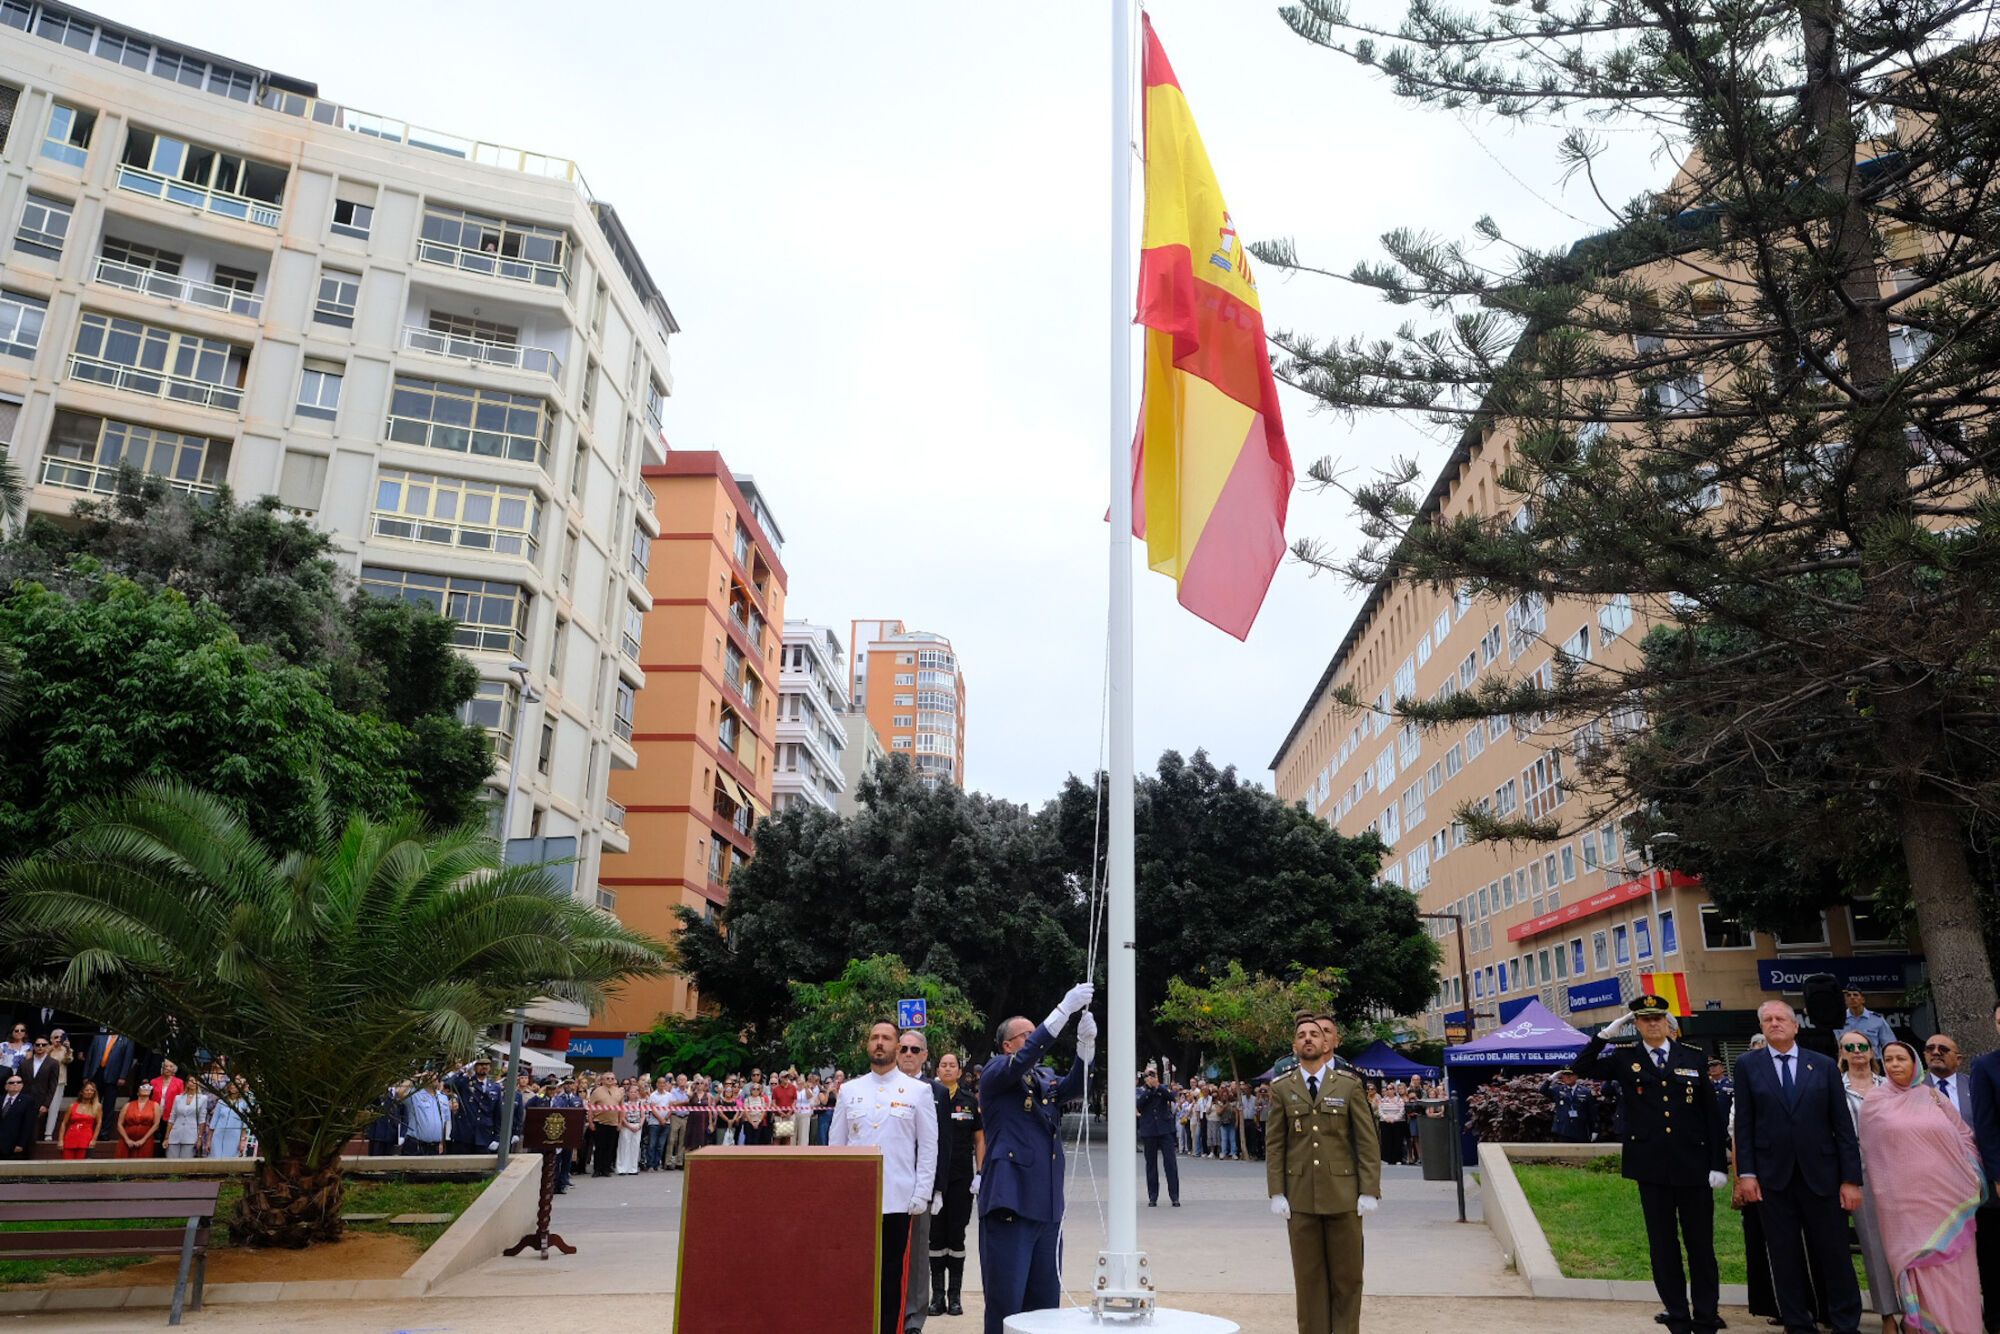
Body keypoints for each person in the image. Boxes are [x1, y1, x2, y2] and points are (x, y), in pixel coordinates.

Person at [1571, 995, 1727, 1334]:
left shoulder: (1694, 1057)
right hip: (1651, 1165)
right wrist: (1605, 1034)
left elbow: (1711, 1116)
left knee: (1701, 1244)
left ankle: (1705, 1313)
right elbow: (1580, 1067)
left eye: (1658, 1018)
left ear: (1668, 1023)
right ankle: (1677, 1312)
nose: (1652, 1024)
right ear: (1636, 1024)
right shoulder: (1626, 1058)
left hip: (1693, 1164)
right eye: (1644, 1019)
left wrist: (1718, 1163)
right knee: (1663, 1244)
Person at [1734, 998, 1865, 1334]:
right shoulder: (1749, 1065)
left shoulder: (1822, 1066)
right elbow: (1745, 1125)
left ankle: (1845, 1321)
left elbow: (1843, 1127)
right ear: (1761, 1028)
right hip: (1772, 1178)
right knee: (1784, 1255)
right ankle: (1797, 1321)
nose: (1774, 1023)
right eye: (1767, 1020)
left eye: (1781, 1018)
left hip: (1822, 1176)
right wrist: (1745, 1174)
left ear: (1795, 1026)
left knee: (1834, 1254)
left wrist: (1851, 1179)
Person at [978, 983, 1096, 1334]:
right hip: (1011, 1203)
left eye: (1035, 1032)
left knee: (1045, 1309)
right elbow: (1027, 1056)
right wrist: (1061, 1011)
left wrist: (1085, 1050)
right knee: (1006, 1304)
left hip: (1046, 1209)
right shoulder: (997, 1072)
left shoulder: (1042, 1078)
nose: (1034, 1038)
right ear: (1007, 1044)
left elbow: (1074, 1088)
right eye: (1026, 1034)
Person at [1861, 1039, 1985, 1333]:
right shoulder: (1875, 1103)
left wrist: (1970, 1174)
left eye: (1901, 1059)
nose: (1894, 1065)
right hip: (1904, 1207)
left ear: (1914, 1063)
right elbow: (1873, 1156)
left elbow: (1965, 1136)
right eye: (1888, 1059)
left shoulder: (1932, 1097)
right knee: (1919, 1268)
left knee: (1957, 1274)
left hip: (1948, 1203)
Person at [1267, 1012, 1380, 1334]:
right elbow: (1275, 1143)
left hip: (1344, 1196)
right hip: (1300, 1196)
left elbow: (1367, 1141)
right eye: (1302, 1034)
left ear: (1326, 1041)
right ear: (1294, 1045)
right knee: (1308, 1278)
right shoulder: (1282, 1087)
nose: (1308, 1038)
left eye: (1314, 1034)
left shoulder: (1348, 1085)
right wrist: (1276, 1191)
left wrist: (1369, 1190)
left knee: (1347, 1277)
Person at [829, 1018, 939, 1334]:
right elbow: (836, 1145)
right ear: (868, 1044)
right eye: (875, 1037)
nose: (880, 1042)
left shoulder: (918, 1092)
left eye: (887, 1038)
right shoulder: (850, 1091)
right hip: (856, 1201)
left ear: (896, 1045)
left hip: (897, 1198)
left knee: (891, 1276)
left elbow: (929, 1146)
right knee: (856, 1273)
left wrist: (922, 1191)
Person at [1835, 1028, 1896, 1331]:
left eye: (1863, 1046)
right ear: (1842, 1054)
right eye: (1851, 1047)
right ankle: (1887, 1314)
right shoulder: (1835, 1088)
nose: (1858, 1051)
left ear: (1872, 1051)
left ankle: (1913, 1310)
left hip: (1898, 1173)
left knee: (1905, 1244)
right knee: (1873, 1246)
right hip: (1860, 1174)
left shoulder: (1891, 1086)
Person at [899, 1029, 954, 1334]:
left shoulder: (937, 1092)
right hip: (890, 1178)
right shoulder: (884, 1086)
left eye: (914, 1049)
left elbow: (942, 1143)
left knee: (919, 1252)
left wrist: (937, 1188)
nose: (908, 1053)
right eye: (903, 1048)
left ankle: (913, 1318)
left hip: (920, 1182)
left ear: (924, 1055)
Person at [929, 1051, 982, 1317]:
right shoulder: (928, 1097)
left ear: (960, 1072)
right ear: (937, 1069)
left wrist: (980, 1172)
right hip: (934, 1180)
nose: (948, 1069)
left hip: (962, 1179)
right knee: (936, 1237)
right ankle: (937, 1296)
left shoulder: (969, 1101)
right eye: (944, 1065)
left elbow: (979, 1139)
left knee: (956, 1236)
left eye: (953, 1066)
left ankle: (955, 1296)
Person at [1964, 1000, 2000, 1331]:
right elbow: (1986, 1127)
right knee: (1995, 1255)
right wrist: (1997, 1175)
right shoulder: (1985, 1066)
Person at [1137, 1065, 1181, 1207]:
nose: (1150, 1077)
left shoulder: (1163, 1089)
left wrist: (1158, 1086)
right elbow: (1139, 1105)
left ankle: (1174, 1196)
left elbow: (1172, 1097)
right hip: (1149, 1131)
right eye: (1148, 1075)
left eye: (1153, 1075)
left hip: (1165, 1130)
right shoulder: (1141, 1091)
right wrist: (1150, 1090)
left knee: (1170, 1163)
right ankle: (1153, 1196)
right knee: (1151, 1165)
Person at [81, 1029, 136, 1140]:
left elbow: (127, 1059)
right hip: (96, 1074)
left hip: (113, 1076)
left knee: (108, 1106)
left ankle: (104, 1132)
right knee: (92, 1103)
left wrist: (123, 1076)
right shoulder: (99, 1037)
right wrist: (86, 1075)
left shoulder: (126, 1040)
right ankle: (89, 1130)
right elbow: (90, 1056)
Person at [401, 1076, 451, 1155]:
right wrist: (414, 1077)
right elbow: (399, 1092)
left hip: (435, 1147)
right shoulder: (415, 1094)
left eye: (437, 1076)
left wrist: (442, 1142)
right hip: (415, 1146)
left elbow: (444, 1123)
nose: (435, 1077)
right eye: (432, 1075)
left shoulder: (443, 1097)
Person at [1841, 989, 1897, 1058]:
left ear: (1863, 1000)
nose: (1852, 997)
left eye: (1855, 995)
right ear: (1845, 1001)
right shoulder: (1838, 1019)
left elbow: (1890, 1044)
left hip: (1873, 1063)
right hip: (1847, 1063)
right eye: (1848, 995)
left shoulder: (1876, 1019)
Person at [164, 1080, 208, 1160]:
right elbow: (172, 1118)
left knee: (186, 1164)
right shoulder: (178, 1098)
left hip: (191, 1135)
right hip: (175, 1134)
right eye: (191, 1081)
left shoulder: (203, 1098)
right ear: (187, 1083)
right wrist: (167, 1137)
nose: (193, 1083)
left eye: (195, 1081)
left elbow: (202, 1120)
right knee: (171, 1163)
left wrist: (200, 1138)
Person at [1548, 1069, 1595, 1143]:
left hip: (1580, 1128)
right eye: (1565, 1075)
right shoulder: (1558, 1089)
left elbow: (1592, 1113)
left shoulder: (1585, 1091)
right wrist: (1551, 1078)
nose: (1568, 1077)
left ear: (1576, 1077)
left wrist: (1594, 1130)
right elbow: (1542, 1090)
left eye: (1571, 1075)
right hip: (1563, 1129)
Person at [115, 1081, 161, 1158]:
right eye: (143, 1087)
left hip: (146, 1139)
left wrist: (143, 1140)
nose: (145, 1089)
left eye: (148, 1088)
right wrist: (127, 1139)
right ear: (137, 1091)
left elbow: (156, 1124)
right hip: (127, 1138)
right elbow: (119, 1124)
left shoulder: (155, 1105)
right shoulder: (128, 1105)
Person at [61, 1079, 103, 1158]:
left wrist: (94, 1139)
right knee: (67, 1163)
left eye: (92, 1090)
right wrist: (60, 1140)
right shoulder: (72, 1106)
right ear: (82, 1092)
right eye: (87, 1090)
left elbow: (99, 1123)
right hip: (71, 1136)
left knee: (81, 1164)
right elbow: (64, 1123)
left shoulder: (97, 1107)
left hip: (85, 1138)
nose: (89, 1092)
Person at [0, 1073, 38, 1159]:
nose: (15, 1084)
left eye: (18, 1082)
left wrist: (21, 1144)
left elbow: (28, 1124)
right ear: (6, 1086)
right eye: (12, 1082)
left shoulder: (28, 1101)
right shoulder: (1, 1099)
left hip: (14, 1146)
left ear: (22, 1085)